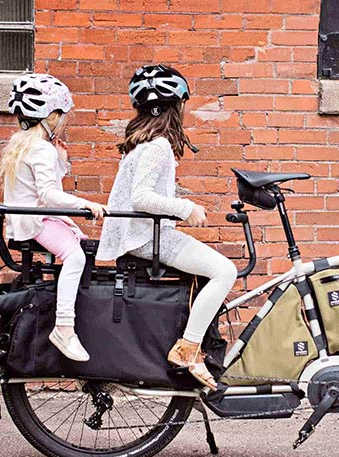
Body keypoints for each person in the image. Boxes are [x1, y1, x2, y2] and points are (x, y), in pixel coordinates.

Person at [97, 65, 237, 390]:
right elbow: (141, 197)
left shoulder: (143, 145)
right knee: (224, 272)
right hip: (149, 239)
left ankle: (199, 344)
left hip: (144, 236)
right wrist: (186, 208)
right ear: (173, 107)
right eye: (182, 103)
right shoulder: (158, 146)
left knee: (211, 272)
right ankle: (188, 348)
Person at [1, 74, 108, 362]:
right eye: (60, 115)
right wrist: (86, 203)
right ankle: (64, 326)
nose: (62, 121)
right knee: (75, 257)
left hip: (28, 220)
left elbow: (38, 188)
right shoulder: (40, 148)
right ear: (49, 115)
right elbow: (48, 195)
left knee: (77, 247)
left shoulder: (21, 144)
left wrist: (59, 159)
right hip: (39, 220)